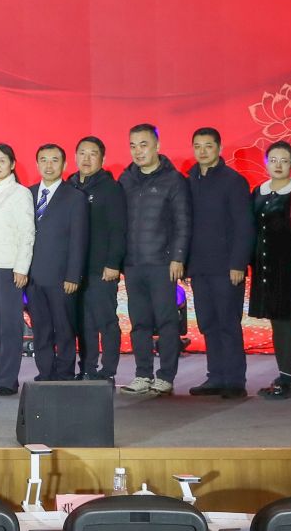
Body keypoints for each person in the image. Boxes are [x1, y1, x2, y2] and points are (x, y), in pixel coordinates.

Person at [118, 123, 190, 397]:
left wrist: (178, 257)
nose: (138, 151)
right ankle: (143, 374)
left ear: (157, 146)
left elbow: (183, 223)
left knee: (167, 321)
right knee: (139, 322)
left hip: (163, 263)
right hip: (133, 263)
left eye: (144, 144)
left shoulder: (173, 180)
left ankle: (166, 376)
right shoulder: (126, 179)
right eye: (133, 146)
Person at [185, 127, 253, 399]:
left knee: (228, 322)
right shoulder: (189, 181)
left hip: (226, 267)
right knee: (208, 322)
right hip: (199, 266)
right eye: (198, 146)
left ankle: (234, 380)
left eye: (208, 146)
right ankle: (215, 376)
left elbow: (244, 226)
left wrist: (238, 263)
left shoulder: (233, 181)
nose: (203, 151)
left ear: (219, 148)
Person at [0, 143, 35, 396]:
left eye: (2, 161)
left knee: (10, 325)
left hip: (9, 267)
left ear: (12, 164)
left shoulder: (20, 193)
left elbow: (27, 233)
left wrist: (22, 267)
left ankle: (8, 380)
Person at [28, 143, 88, 383]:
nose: (49, 165)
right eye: (43, 160)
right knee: (40, 327)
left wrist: (73, 275)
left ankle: (64, 373)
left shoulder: (75, 197)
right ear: (37, 164)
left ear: (64, 164)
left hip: (62, 276)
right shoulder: (28, 194)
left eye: (54, 160)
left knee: (64, 328)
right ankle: (45, 372)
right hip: (32, 276)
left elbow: (78, 240)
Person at [69, 136, 126, 383]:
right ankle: (87, 368)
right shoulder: (70, 186)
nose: (86, 158)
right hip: (75, 270)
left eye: (93, 154)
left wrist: (113, 263)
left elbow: (118, 229)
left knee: (106, 320)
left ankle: (108, 370)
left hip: (101, 268)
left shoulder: (110, 188)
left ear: (102, 158)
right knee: (83, 323)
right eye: (82, 153)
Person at [249, 141, 291, 400]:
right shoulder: (258, 191)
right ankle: (283, 376)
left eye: (284, 160)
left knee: (288, 322)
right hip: (265, 267)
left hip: (288, 266)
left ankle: (288, 379)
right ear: (266, 163)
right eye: (273, 160)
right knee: (276, 322)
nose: (278, 165)